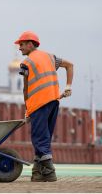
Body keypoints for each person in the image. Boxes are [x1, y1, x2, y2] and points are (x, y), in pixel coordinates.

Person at [15, 31, 74, 182]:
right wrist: (68, 86)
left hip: (39, 104)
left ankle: (49, 170)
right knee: (44, 137)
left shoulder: (26, 63)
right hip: (54, 102)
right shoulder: (50, 57)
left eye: (21, 45)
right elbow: (70, 65)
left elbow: (26, 89)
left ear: (30, 44)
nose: (19, 48)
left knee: (39, 137)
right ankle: (38, 171)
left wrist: (27, 111)